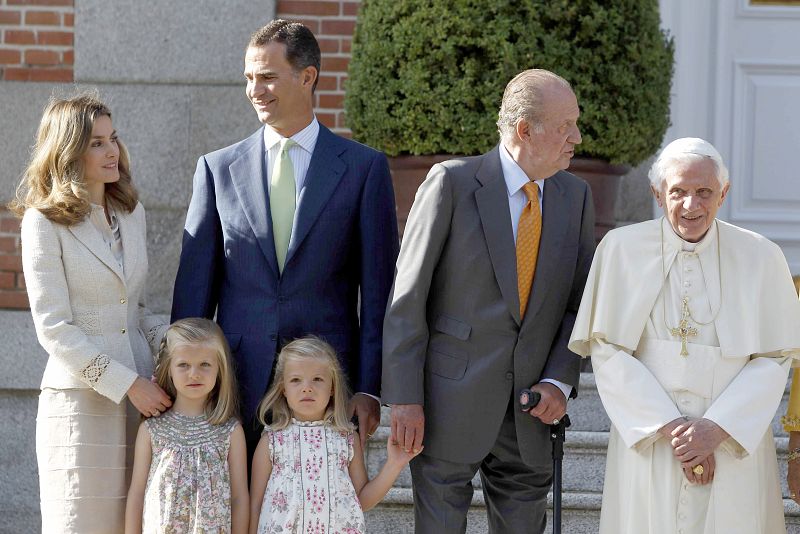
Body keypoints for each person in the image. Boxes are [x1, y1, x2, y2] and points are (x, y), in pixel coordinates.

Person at [171, 19, 398, 458]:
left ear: (307, 76)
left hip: (327, 383)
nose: (256, 89)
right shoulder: (217, 169)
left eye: (268, 77)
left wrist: (370, 388)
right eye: (249, 78)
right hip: (235, 384)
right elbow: (193, 294)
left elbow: (378, 294)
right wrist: (185, 388)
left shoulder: (363, 169)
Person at [381, 69, 595, 533]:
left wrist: (560, 380)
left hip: (531, 413)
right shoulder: (452, 184)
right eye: (565, 126)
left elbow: (580, 305)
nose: (576, 137)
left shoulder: (575, 196)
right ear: (525, 130)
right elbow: (407, 296)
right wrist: (403, 399)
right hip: (446, 405)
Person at [569, 137, 800, 533]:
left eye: (704, 192)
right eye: (678, 192)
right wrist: (673, 429)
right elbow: (607, 350)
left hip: (731, 441)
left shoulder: (761, 256)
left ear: (723, 193)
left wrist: (715, 429)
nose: (691, 205)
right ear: (657, 193)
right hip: (652, 439)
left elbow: (775, 356)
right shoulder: (620, 250)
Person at [10, 92, 172, 533]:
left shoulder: (131, 213)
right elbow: (54, 328)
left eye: (113, 138)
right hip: (82, 406)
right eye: (96, 142)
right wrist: (128, 385)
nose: (112, 150)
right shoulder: (43, 222)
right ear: (68, 151)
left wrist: (177, 347)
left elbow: (136, 309)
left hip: (145, 405)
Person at [249, 337, 419, 533]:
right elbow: (255, 505)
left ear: (332, 388)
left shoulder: (346, 439)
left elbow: (362, 500)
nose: (307, 387)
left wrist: (394, 464)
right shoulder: (271, 441)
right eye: (296, 380)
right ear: (283, 389)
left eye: (318, 379)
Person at [125, 318, 249, 533]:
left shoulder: (230, 431)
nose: (194, 374)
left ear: (220, 369)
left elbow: (239, 497)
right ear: (169, 368)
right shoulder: (152, 429)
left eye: (205, 364)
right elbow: (137, 493)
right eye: (183, 365)